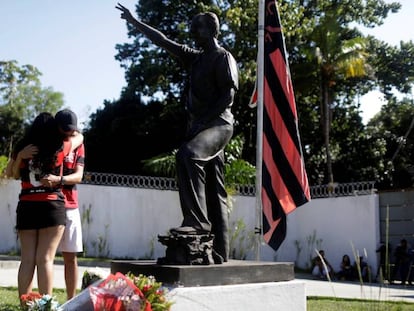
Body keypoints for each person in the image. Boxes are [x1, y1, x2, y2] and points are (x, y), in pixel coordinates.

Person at [116, 3, 238, 263]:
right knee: (215, 189)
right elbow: (162, 40)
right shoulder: (195, 58)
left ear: (211, 30)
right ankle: (220, 251)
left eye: (198, 28)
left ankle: (197, 222)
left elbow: (228, 95)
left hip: (219, 124)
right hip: (201, 126)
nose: (193, 32)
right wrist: (134, 22)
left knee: (188, 154)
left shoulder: (223, 57)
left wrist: (202, 122)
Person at [9, 112, 83, 301]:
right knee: (45, 260)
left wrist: (20, 158)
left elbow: (11, 174)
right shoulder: (60, 145)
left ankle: (25, 305)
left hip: (27, 206)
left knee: (26, 260)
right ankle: (45, 306)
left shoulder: (22, 148)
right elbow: (79, 138)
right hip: (52, 205)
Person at [40, 109, 85, 300]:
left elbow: (79, 175)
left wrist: (59, 179)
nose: (69, 133)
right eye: (65, 129)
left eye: (72, 130)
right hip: (50, 204)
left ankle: (71, 300)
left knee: (71, 257)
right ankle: (43, 300)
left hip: (71, 205)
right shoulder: (50, 143)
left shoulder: (78, 143)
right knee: (44, 257)